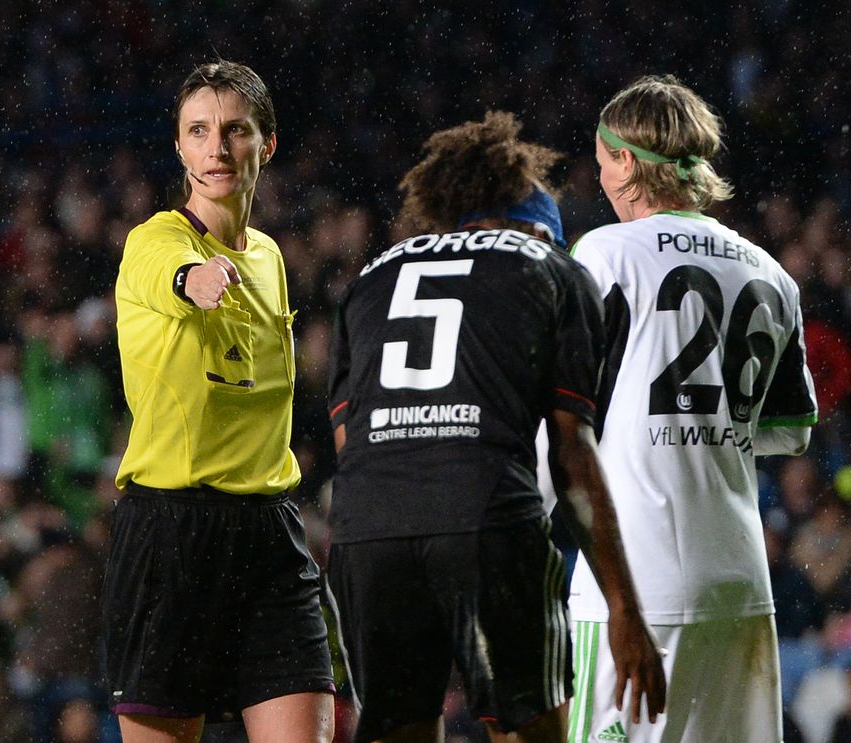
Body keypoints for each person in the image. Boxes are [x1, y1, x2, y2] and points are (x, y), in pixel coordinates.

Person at [325, 112, 665, 743]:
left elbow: (350, 442)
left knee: (399, 728)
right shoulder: (550, 267)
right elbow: (571, 453)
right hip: (486, 518)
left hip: (368, 531)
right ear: (537, 226)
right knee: (525, 725)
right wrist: (623, 605)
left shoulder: (371, 277)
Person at [566, 75, 818, 743]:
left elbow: (558, 420)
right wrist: (708, 433)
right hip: (738, 585)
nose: (598, 178)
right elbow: (790, 433)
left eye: (600, 162)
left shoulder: (603, 255)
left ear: (625, 160)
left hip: (634, 591)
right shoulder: (770, 271)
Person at [104, 60, 334, 743]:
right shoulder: (154, 241)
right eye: (198, 131)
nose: (216, 148)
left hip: (269, 535)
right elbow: (167, 272)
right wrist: (194, 279)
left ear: (267, 143)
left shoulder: (269, 256)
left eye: (234, 130)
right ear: (179, 148)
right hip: (172, 534)